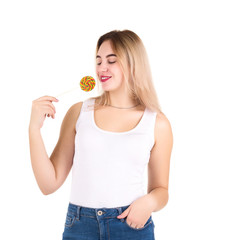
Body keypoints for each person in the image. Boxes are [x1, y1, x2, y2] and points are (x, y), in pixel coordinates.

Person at [29, 29, 173, 240]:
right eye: (98, 61)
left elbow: (161, 189)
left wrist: (149, 202)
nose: (101, 68)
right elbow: (48, 184)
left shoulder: (157, 122)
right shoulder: (79, 112)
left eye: (111, 60)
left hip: (131, 226)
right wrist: (34, 130)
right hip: (80, 226)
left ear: (133, 64)